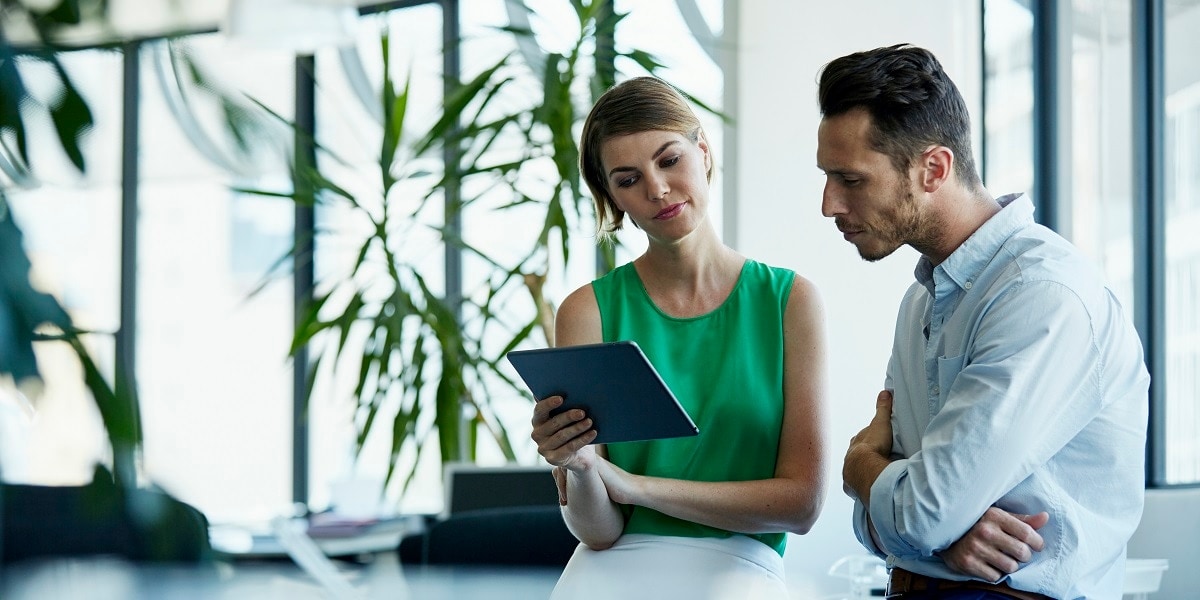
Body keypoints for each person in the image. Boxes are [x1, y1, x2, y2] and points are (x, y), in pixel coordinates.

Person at [817, 44, 1150, 600]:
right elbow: (893, 522)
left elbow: (916, 511)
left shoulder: (1043, 295)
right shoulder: (919, 302)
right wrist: (933, 536)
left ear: (934, 169)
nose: (829, 204)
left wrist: (859, 467)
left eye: (850, 179)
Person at [530, 76, 830, 599]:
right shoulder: (588, 311)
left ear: (704, 151)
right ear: (612, 198)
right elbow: (600, 532)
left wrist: (636, 487)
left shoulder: (791, 301)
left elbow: (801, 505)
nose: (657, 189)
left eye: (669, 160)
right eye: (628, 179)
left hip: (741, 563)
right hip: (612, 566)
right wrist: (579, 468)